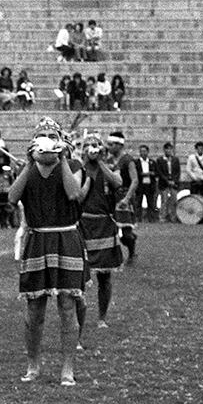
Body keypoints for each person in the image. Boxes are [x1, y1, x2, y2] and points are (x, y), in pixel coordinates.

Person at [8, 118, 85, 386]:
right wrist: (30, 162)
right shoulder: (27, 168)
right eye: (42, 136)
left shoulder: (73, 165)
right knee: (35, 309)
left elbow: (74, 193)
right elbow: (11, 197)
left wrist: (62, 157)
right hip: (38, 240)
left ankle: (67, 368)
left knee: (67, 305)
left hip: (66, 237)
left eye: (52, 136)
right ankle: (33, 365)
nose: (47, 140)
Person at [74, 132, 124, 333]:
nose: (93, 148)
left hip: (104, 225)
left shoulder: (108, 166)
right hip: (84, 225)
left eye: (97, 145)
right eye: (89, 145)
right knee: (80, 277)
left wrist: (101, 162)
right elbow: (78, 196)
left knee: (105, 277)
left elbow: (117, 183)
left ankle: (102, 317)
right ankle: (78, 317)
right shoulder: (78, 170)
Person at [105, 132, 139, 262]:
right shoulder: (108, 160)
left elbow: (134, 180)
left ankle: (132, 251)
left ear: (119, 145)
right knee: (109, 229)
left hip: (124, 196)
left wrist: (127, 198)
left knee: (126, 234)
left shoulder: (127, 160)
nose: (109, 147)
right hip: (111, 197)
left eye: (111, 144)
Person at [154, 142, 182, 223]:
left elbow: (178, 172)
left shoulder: (175, 159)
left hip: (174, 183)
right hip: (164, 183)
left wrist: (174, 181)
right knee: (164, 200)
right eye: (167, 149)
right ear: (164, 150)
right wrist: (167, 181)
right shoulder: (160, 160)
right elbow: (160, 172)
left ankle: (173, 217)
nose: (168, 151)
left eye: (170, 149)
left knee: (174, 200)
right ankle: (162, 217)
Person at [133, 144, 158, 222]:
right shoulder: (136, 162)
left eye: (144, 151)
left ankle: (151, 219)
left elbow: (156, 172)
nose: (143, 153)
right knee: (138, 203)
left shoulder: (152, 162)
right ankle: (138, 218)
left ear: (148, 152)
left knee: (151, 203)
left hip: (150, 185)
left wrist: (151, 174)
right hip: (140, 185)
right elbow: (136, 173)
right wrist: (144, 174)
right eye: (141, 151)